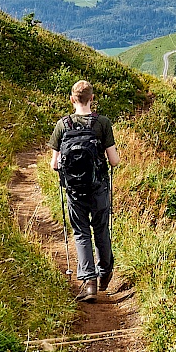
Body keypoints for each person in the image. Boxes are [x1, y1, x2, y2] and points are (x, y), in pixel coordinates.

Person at [49, 80, 121, 302]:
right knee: (101, 229)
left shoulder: (63, 125)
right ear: (92, 99)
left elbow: (54, 164)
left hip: (74, 191)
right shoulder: (102, 123)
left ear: (72, 99)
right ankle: (105, 271)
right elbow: (114, 161)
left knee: (81, 233)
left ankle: (89, 283)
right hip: (98, 187)